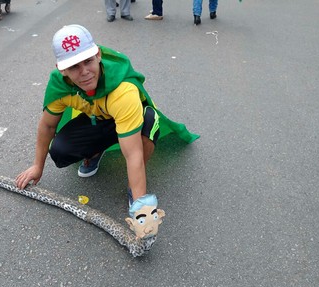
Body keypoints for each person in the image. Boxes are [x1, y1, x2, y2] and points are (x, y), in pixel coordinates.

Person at [15, 24, 198, 212]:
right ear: (62, 70)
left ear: (98, 55)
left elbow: (132, 153)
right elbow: (47, 127)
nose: (84, 72)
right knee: (61, 150)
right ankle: (95, 152)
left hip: (135, 117)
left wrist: (141, 207)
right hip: (99, 118)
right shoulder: (60, 85)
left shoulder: (123, 90)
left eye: (88, 61)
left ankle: (133, 190)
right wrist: (38, 166)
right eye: (74, 66)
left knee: (147, 125)